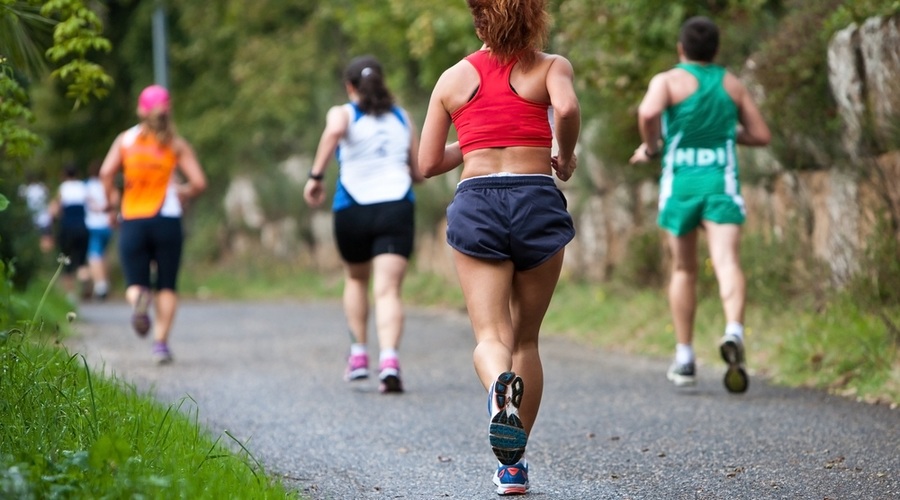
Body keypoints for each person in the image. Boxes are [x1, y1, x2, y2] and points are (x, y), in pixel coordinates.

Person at [417, 0, 580, 494]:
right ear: (535, 18)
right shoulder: (551, 67)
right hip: (535, 197)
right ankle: (514, 467)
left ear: (478, 20)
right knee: (526, 340)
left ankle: (497, 392)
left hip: (478, 201)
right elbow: (568, 108)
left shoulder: (452, 79)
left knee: (492, 337)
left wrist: (473, 143)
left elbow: (426, 163)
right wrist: (564, 156)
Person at [629, 16, 771, 394]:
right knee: (726, 261)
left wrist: (653, 146)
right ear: (716, 49)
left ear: (681, 48)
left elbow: (647, 113)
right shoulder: (731, 84)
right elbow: (760, 134)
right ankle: (734, 331)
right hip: (721, 182)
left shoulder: (667, 81)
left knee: (683, 269)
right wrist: (727, 132)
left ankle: (685, 357)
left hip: (681, 185)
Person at [303, 55, 424, 394]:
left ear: (349, 86)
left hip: (352, 209)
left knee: (356, 279)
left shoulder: (342, 112)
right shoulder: (403, 117)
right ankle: (389, 360)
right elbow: (417, 172)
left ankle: (358, 356)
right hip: (396, 207)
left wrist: (315, 176)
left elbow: (336, 130)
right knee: (388, 290)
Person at [99, 84, 207, 364]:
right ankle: (160, 343)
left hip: (133, 218)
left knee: (136, 281)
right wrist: (181, 192)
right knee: (167, 284)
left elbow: (105, 173)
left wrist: (111, 201)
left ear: (141, 110)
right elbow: (199, 183)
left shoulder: (125, 140)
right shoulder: (176, 143)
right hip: (167, 219)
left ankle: (139, 301)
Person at [49, 163, 91, 302]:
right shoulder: (83, 187)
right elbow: (92, 204)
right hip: (82, 227)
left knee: (66, 260)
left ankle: (70, 295)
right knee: (82, 260)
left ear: (64, 175)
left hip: (67, 228)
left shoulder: (63, 188)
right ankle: (85, 282)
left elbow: (55, 209)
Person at [84, 159, 117, 300]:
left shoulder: (86, 185)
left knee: (94, 255)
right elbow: (116, 200)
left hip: (93, 225)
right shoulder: (109, 185)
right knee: (104, 254)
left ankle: (100, 285)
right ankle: (104, 283)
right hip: (108, 224)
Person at [19, 170, 55, 253]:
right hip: (45, 218)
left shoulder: (25, 189)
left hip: (33, 219)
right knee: (46, 239)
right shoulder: (41, 187)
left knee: (38, 240)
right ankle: (48, 256)